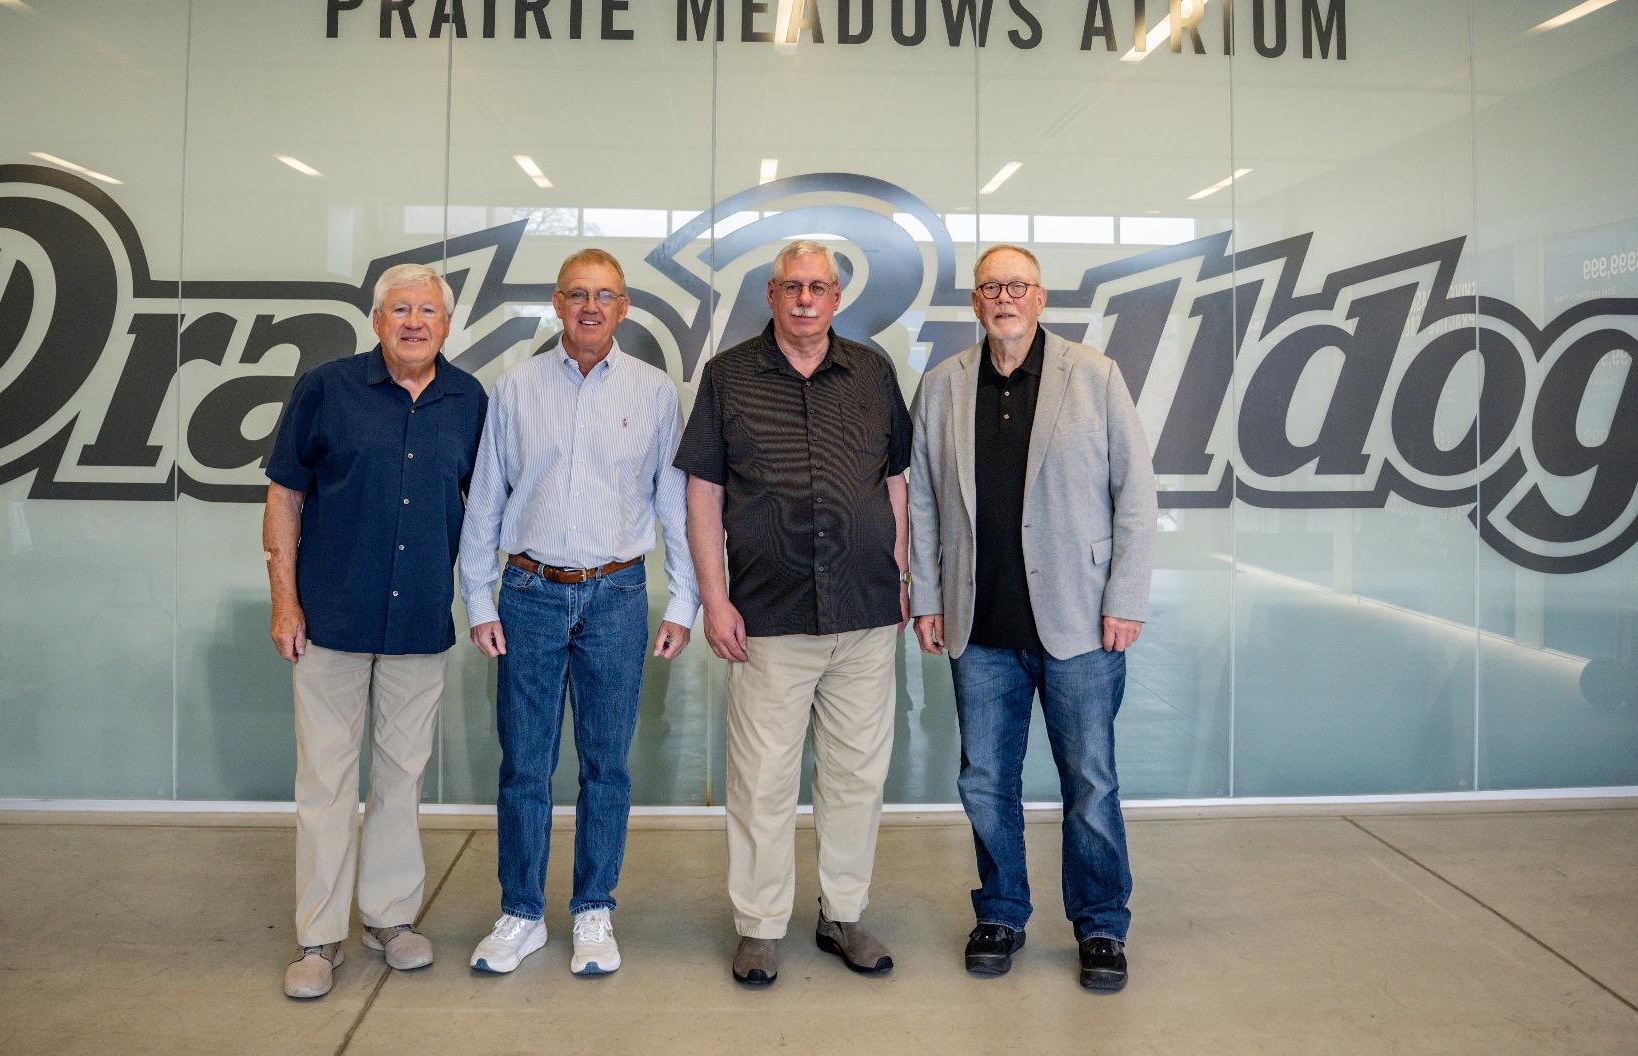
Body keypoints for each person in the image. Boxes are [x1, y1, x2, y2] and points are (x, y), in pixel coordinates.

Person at [908, 244, 1156, 989]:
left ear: (1041, 298)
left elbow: (1136, 495)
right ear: (977, 303)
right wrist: (925, 596)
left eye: (1018, 285)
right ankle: (1002, 911)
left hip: (1081, 623)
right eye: (991, 287)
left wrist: (1126, 599)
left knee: (1091, 781)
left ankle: (1102, 925)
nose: (1004, 297)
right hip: (978, 626)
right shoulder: (943, 386)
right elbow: (921, 501)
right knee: (985, 780)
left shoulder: (1095, 376)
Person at [675, 239, 912, 986]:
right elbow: (703, 494)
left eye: (819, 287)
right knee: (762, 781)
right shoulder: (728, 377)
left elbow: (896, 479)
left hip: (866, 613)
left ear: (837, 297)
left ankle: (842, 914)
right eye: (791, 287)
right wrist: (715, 600)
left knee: (854, 777)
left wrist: (901, 574)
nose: (806, 299)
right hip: (769, 618)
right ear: (772, 296)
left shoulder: (872, 373)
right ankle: (759, 924)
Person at [458, 249, 699, 976]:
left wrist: (682, 599)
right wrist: (476, 596)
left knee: (606, 766)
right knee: (524, 764)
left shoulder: (656, 392)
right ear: (557, 306)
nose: (590, 307)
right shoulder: (515, 388)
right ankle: (521, 913)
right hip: (528, 593)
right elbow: (486, 502)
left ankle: (594, 909)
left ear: (623, 309)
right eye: (576, 295)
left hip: (618, 597)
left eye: (605, 296)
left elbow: (674, 503)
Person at [264, 262, 488, 999]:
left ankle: (389, 919)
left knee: (400, 778)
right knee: (325, 782)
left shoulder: (469, 400)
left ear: (447, 325)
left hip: (420, 621)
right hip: (330, 617)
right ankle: (318, 937)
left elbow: (481, 512)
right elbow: (284, 499)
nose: (414, 321)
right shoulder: (327, 390)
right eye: (400, 309)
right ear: (376, 319)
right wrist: (285, 603)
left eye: (428, 310)